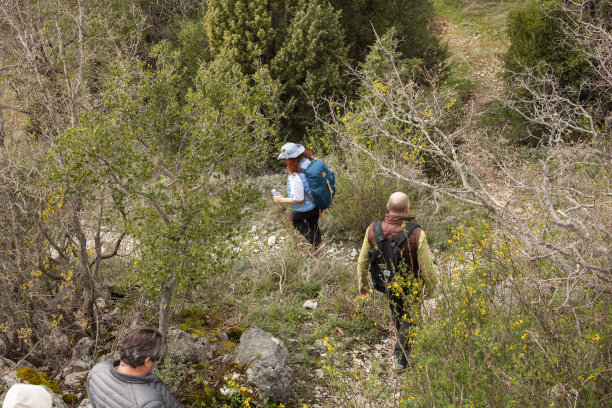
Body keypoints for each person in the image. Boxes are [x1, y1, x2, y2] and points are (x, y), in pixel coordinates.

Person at [357, 192, 437, 372]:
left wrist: (362, 282)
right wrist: (431, 286)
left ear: (387, 206)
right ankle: (400, 358)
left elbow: (362, 260)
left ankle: (405, 349)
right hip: (412, 286)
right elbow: (426, 266)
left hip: (385, 283)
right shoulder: (417, 233)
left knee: (398, 314)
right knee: (411, 317)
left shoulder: (372, 229)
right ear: (407, 209)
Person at [86, 326, 181, 407]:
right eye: (157, 358)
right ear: (147, 361)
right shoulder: (150, 402)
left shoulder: (97, 371)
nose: (156, 362)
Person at [274, 142, 326, 253]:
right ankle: (318, 244)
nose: (284, 162)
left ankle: (317, 244)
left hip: (309, 206)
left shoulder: (295, 175)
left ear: (289, 159)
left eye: (285, 159)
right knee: (312, 222)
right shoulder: (310, 162)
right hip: (318, 201)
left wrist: (281, 199)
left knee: (294, 219)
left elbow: (298, 199)